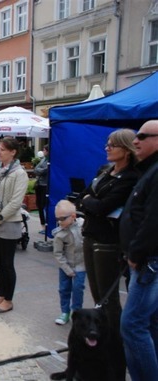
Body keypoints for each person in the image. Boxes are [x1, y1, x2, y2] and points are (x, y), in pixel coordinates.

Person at [79, 129, 138, 379]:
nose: (107, 147)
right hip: (90, 235)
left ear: (126, 149)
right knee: (97, 296)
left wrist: (90, 203)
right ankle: (103, 346)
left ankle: (115, 353)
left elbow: (101, 206)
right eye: (107, 144)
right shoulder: (104, 171)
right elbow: (83, 196)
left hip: (108, 242)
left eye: (113, 145)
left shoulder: (130, 177)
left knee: (108, 301)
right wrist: (91, 203)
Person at [120, 120, 158, 381]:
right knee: (150, 323)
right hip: (146, 259)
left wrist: (135, 253)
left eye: (142, 136)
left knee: (132, 325)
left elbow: (153, 220)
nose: (136, 141)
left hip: (148, 262)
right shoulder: (149, 170)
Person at [0, 137, 28, 313]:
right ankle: (1, 295)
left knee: (7, 264)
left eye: (2, 149)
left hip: (9, 223)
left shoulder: (19, 173)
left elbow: (15, 203)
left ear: (12, 152)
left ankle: (8, 299)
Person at [51, 200, 86, 325]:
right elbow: (58, 253)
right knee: (64, 289)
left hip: (81, 266)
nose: (59, 222)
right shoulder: (59, 234)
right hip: (66, 266)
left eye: (62, 218)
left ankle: (77, 312)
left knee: (78, 289)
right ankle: (65, 312)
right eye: (57, 219)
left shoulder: (83, 225)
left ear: (73, 216)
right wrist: (66, 268)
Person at [34, 146, 49, 233]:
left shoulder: (50, 160)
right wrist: (38, 170)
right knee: (39, 204)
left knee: (43, 205)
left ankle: (46, 225)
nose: (43, 151)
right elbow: (36, 169)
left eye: (44, 150)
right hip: (39, 184)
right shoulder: (43, 159)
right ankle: (42, 225)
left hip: (45, 185)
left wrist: (38, 170)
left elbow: (44, 170)